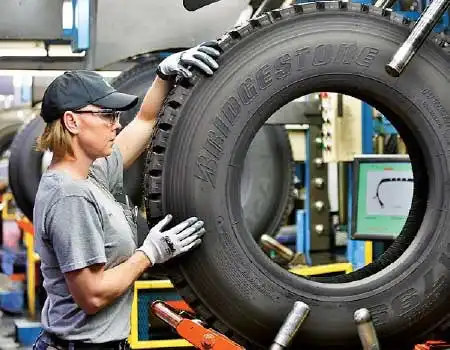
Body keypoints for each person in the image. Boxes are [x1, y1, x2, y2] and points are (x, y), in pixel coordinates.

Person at [31, 41, 221, 350]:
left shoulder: (92, 173)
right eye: (107, 115)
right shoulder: (70, 196)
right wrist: (150, 253)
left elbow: (145, 122)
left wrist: (163, 75)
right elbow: (92, 296)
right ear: (72, 121)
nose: (117, 124)